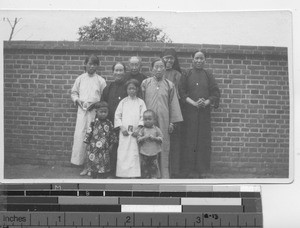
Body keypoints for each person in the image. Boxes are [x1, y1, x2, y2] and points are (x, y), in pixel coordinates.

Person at [179, 50, 220, 178]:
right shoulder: (186, 74)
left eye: (201, 58)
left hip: (203, 114)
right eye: (196, 58)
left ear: (205, 60)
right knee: (189, 140)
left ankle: (202, 170)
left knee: (202, 141)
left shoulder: (208, 75)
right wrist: (194, 103)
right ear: (192, 59)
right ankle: (187, 169)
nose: (199, 61)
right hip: (189, 113)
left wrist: (206, 102)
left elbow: (215, 93)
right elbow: (181, 92)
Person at [141, 58, 183, 179]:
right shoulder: (145, 83)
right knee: (148, 143)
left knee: (163, 144)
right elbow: (141, 102)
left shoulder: (170, 85)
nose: (158, 69)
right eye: (156, 67)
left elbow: (173, 104)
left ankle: (164, 174)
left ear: (165, 69)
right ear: (151, 69)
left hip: (165, 120)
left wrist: (172, 122)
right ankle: (148, 174)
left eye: (161, 67)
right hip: (148, 120)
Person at [70, 54, 107, 176]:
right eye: (89, 64)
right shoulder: (80, 79)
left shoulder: (101, 81)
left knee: (93, 139)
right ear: (85, 64)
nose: (91, 66)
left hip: (94, 114)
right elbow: (74, 93)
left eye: (94, 64)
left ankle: (91, 167)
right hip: (82, 113)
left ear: (97, 66)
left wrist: (95, 104)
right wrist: (78, 101)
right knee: (82, 138)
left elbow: (103, 98)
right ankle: (84, 165)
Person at [114, 79, 147, 178]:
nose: (131, 90)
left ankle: (134, 174)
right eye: (129, 89)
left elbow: (143, 116)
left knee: (134, 152)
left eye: (133, 88)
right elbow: (117, 115)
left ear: (137, 89)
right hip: (124, 132)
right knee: (123, 152)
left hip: (135, 132)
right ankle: (122, 173)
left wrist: (139, 129)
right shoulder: (123, 102)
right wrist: (122, 127)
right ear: (126, 90)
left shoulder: (140, 102)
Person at [101, 62, 127, 177]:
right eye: (116, 70)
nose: (118, 73)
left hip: (123, 123)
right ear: (112, 72)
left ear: (124, 72)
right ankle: (109, 170)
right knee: (111, 147)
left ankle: (121, 171)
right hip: (110, 122)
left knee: (122, 147)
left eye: (121, 70)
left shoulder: (128, 87)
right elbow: (103, 104)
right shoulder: (108, 88)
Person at [161, 48, 183, 178]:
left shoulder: (177, 75)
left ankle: (173, 171)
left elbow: (178, 96)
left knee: (173, 142)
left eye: (171, 58)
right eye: (166, 58)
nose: (168, 61)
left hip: (174, 111)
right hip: (161, 111)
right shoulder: (158, 73)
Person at [83, 101, 118, 178]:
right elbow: (89, 133)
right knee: (94, 163)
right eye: (101, 112)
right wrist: (87, 143)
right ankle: (94, 176)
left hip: (104, 149)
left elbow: (112, 134)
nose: (103, 114)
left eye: (105, 112)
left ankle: (103, 177)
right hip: (93, 148)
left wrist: (112, 145)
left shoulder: (109, 123)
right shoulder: (93, 123)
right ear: (96, 112)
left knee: (103, 163)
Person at [137, 110, 163, 179]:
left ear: (154, 120)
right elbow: (138, 139)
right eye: (145, 119)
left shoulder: (156, 129)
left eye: (149, 119)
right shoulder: (142, 130)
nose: (147, 121)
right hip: (144, 153)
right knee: (144, 167)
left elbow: (161, 139)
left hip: (154, 153)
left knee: (154, 167)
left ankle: (154, 178)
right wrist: (144, 138)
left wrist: (154, 138)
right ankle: (145, 179)